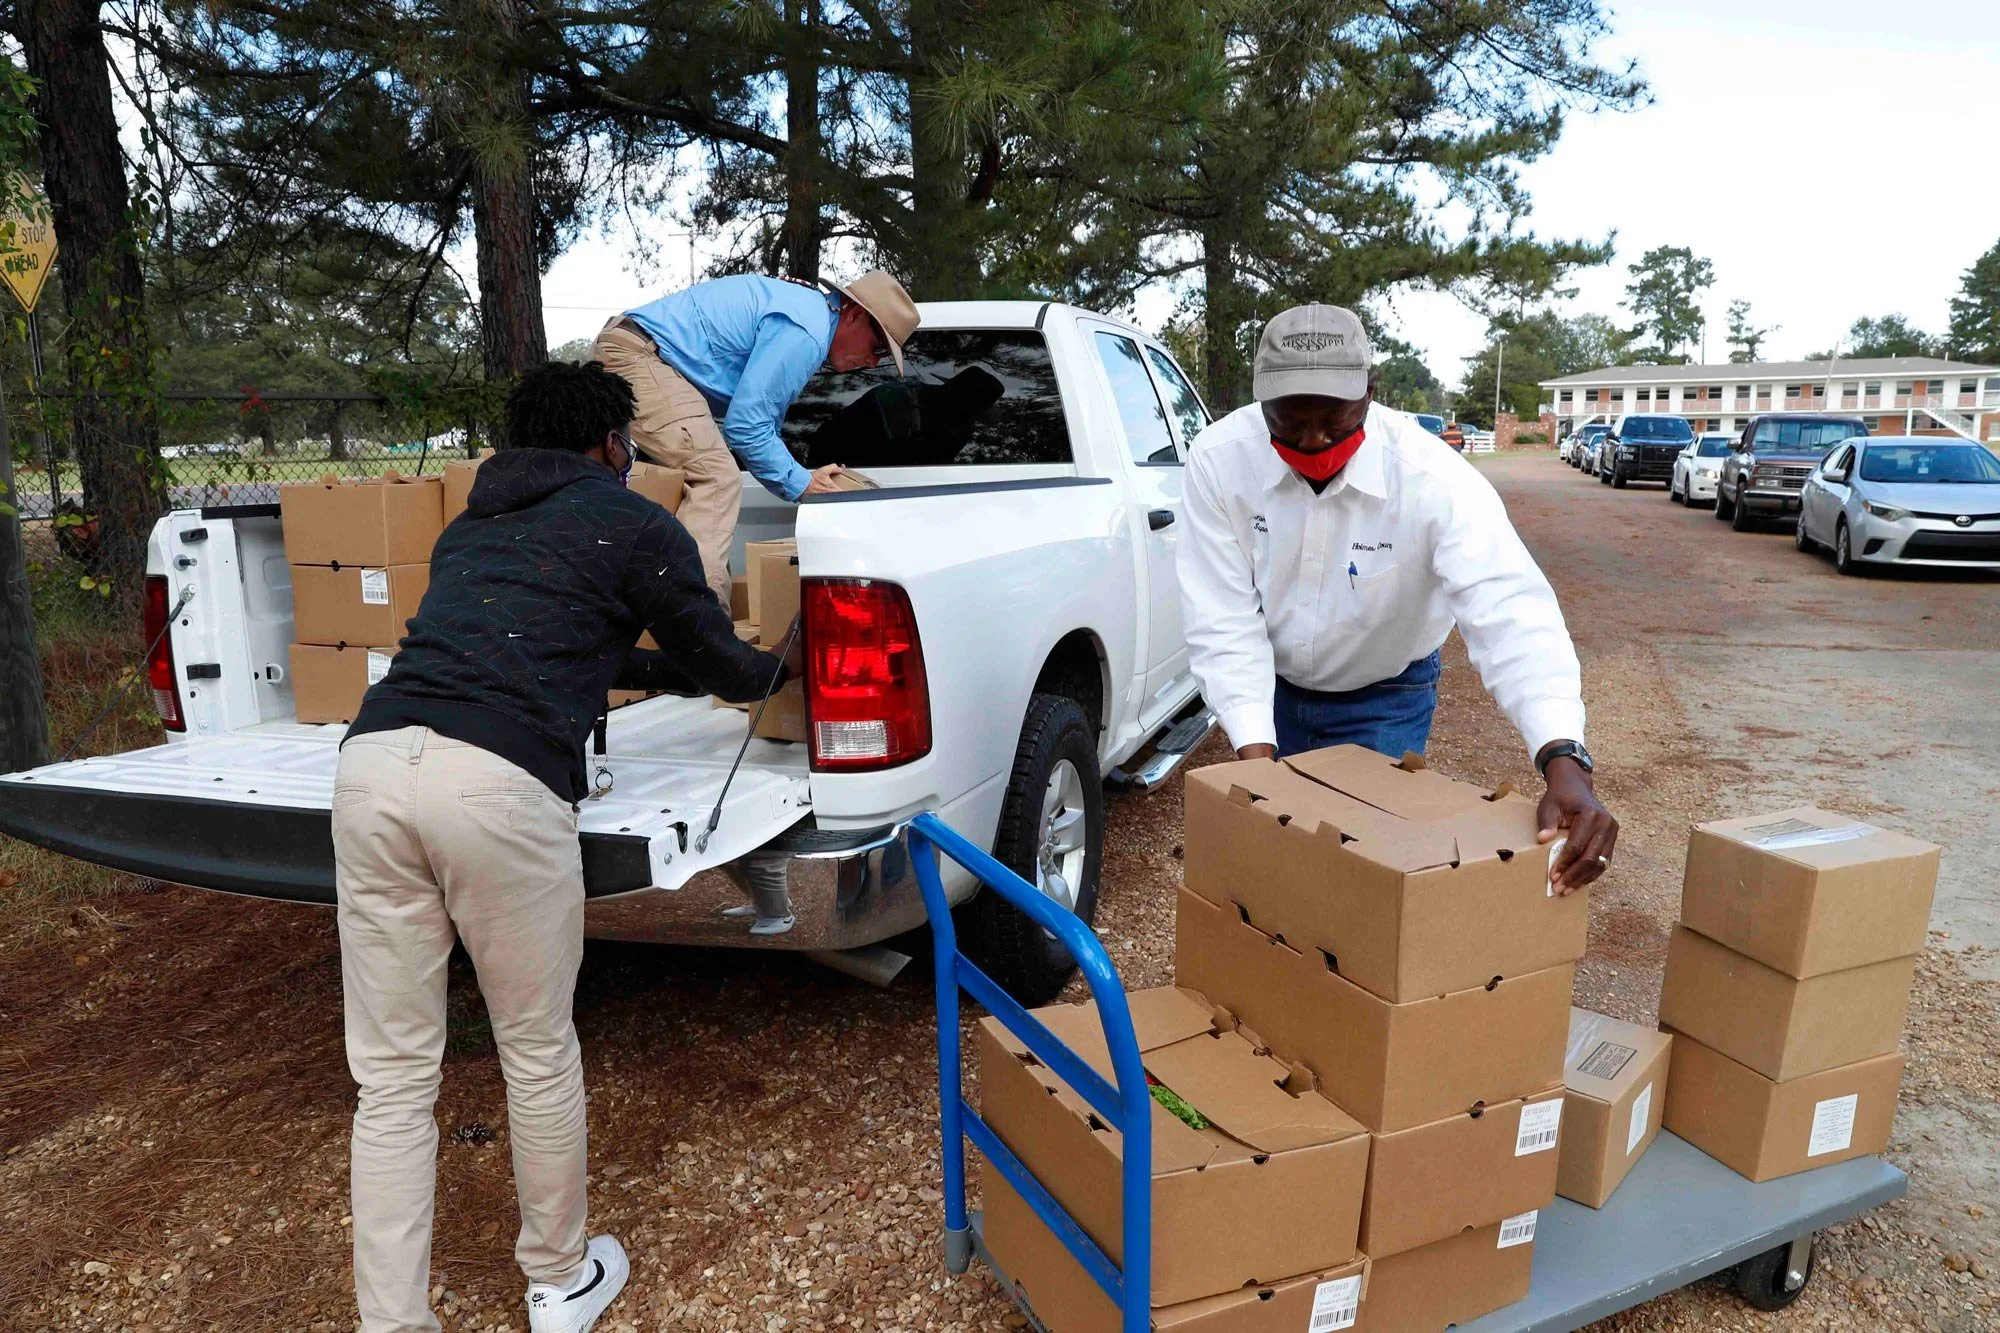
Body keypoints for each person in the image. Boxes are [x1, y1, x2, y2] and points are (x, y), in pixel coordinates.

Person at [330, 361, 797, 1333]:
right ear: (610, 443)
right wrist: (781, 663)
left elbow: (549, 636)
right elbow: (722, 663)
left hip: (371, 769)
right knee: (535, 1048)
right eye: (628, 446)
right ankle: (558, 1279)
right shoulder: (633, 522)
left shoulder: (470, 527)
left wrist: (655, 671)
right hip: (496, 784)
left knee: (393, 1078)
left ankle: (391, 1321)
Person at [1176, 304, 1618, 893]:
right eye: (1290, 422)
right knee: (1272, 861)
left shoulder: (1434, 480)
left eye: (1334, 420)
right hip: (1268, 686)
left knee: (1362, 873)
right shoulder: (1219, 461)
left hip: (1384, 695)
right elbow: (1223, 617)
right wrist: (1259, 766)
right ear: (1259, 400)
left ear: (1370, 390)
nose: (1313, 441)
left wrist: (1564, 759)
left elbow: (1510, 614)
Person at [589, 270, 920, 601]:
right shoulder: (807, 332)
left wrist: (802, 477)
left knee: (700, 500)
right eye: (878, 347)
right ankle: (698, 622)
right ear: (854, 314)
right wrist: (802, 483)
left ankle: (677, 612)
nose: (872, 362)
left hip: (639, 349)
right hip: (639, 355)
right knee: (717, 476)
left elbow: (763, 424)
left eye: (882, 356)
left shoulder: (806, 317)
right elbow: (746, 428)